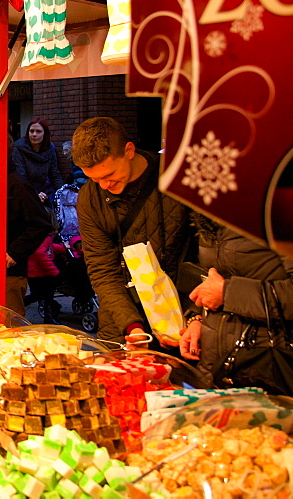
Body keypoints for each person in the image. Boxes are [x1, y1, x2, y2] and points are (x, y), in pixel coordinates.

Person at [72, 117, 193, 346]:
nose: (104, 185)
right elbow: (102, 269)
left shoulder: (178, 178)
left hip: (185, 318)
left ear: (129, 150)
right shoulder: (89, 198)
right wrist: (132, 326)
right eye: (94, 179)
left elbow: (202, 253)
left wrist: (195, 315)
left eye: (109, 175)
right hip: (120, 324)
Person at [179, 219, 293, 394]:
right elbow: (214, 277)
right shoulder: (210, 216)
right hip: (215, 368)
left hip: (268, 368)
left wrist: (227, 293)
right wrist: (198, 319)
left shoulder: (278, 210)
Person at [0, 132, 52, 315]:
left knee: (10, 327)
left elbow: (41, 223)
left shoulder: (18, 185)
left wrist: (15, 252)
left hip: (9, 274)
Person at [13, 118, 63, 204]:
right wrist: (35, 194)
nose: (34, 134)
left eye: (38, 131)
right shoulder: (18, 149)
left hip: (42, 193)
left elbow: (54, 175)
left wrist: (63, 192)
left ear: (45, 134)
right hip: (22, 194)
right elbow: (20, 177)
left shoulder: (50, 150)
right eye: (31, 131)